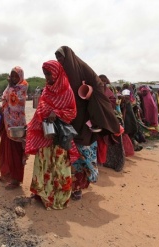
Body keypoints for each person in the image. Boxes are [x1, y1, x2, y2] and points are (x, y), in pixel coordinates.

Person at [55, 46, 121, 200]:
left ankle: (79, 186)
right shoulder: (62, 73)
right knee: (68, 153)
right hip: (68, 119)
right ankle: (70, 185)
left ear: (69, 57)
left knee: (82, 152)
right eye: (57, 59)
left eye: (61, 58)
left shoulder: (84, 69)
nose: (59, 61)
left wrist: (89, 94)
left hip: (84, 120)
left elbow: (99, 85)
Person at [25, 60, 78, 210]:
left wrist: (58, 113)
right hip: (45, 135)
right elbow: (40, 110)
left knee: (59, 167)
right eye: (45, 74)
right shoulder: (47, 90)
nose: (47, 77)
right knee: (43, 165)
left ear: (57, 73)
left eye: (49, 74)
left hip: (60, 137)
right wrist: (33, 125)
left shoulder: (67, 91)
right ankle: (42, 195)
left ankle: (59, 197)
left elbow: (72, 112)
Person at [0, 66, 28, 190]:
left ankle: (16, 180)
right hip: (7, 124)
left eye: (15, 76)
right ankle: (5, 174)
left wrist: (10, 87)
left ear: (20, 77)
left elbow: (15, 102)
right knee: (4, 151)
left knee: (15, 154)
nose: (13, 78)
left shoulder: (22, 88)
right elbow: (4, 99)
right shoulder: (10, 87)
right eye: (11, 75)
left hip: (16, 126)